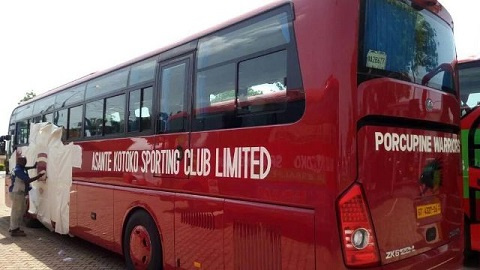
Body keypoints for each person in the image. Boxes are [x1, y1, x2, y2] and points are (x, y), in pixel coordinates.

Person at [9, 156, 45, 237]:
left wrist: (33, 167)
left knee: (20, 211)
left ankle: (14, 227)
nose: (25, 162)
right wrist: (38, 176)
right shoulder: (18, 170)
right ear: (20, 162)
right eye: (24, 161)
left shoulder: (18, 168)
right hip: (17, 194)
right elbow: (27, 180)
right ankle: (14, 230)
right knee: (17, 212)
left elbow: (25, 169)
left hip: (17, 193)